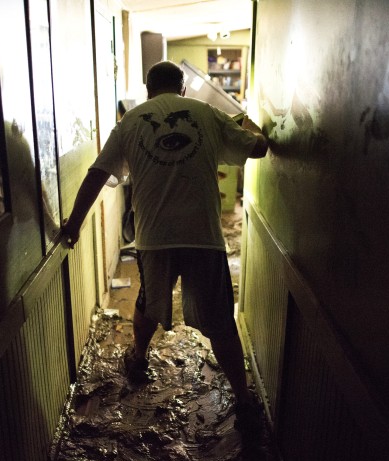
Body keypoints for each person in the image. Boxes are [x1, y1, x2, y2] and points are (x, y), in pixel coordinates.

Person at [62, 60, 268, 434]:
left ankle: (138, 360)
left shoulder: (130, 121)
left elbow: (98, 173)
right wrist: (253, 124)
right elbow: (257, 150)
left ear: (147, 88)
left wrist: (74, 223)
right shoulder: (208, 113)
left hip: (154, 237)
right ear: (183, 88)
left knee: (149, 301)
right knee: (220, 319)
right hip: (203, 235)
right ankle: (243, 399)